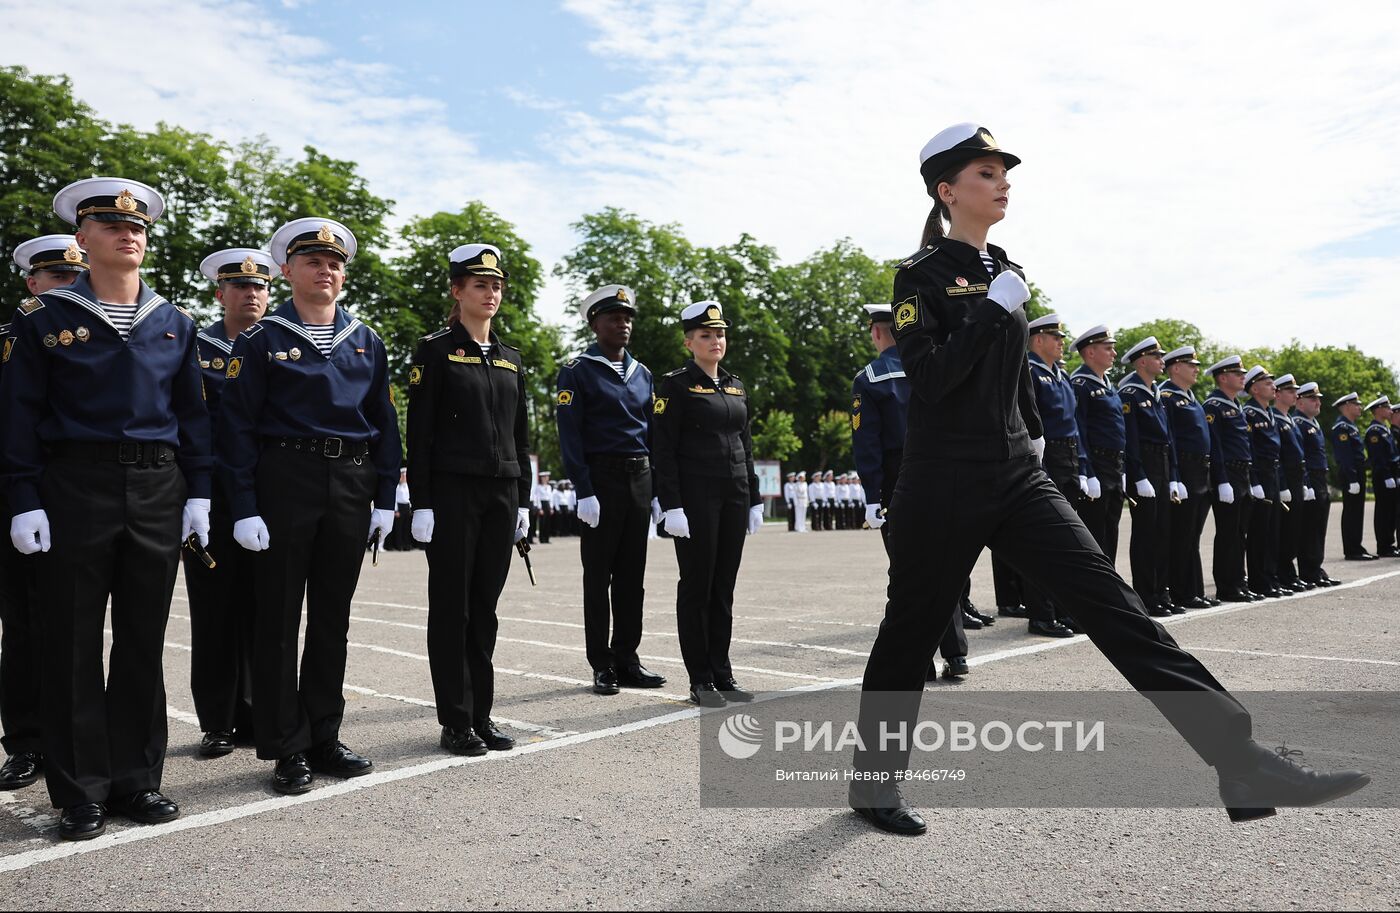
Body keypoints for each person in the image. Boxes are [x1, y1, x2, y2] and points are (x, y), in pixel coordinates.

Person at [848, 124, 1367, 836]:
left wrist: (1033, 436)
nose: (1003, 182)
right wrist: (996, 309)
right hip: (942, 482)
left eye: (1005, 172)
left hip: (1015, 475)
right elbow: (932, 382)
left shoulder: (1006, 264)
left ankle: (1240, 759)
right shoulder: (921, 276)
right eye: (986, 172)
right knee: (908, 634)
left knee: (1118, 609)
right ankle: (872, 785)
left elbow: (1012, 377)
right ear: (947, 190)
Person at [2, 178, 211, 839]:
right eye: (112, 225)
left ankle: (135, 779)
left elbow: (192, 417)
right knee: (70, 643)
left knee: (143, 642)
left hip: (156, 488)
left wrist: (199, 492)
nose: (129, 234)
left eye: (139, 228)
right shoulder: (43, 320)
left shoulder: (174, 323)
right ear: (82, 239)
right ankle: (80, 788)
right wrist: (23, 497)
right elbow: (19, 418)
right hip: (74, 487)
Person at [218, 217, 400, 794]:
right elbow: (237, 428)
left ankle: (324, 733)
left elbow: (386, 424)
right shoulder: (260, 340)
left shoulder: (366, 341)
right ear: (287, 271)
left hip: (350, 477)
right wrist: (243, 505)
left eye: (335, 263)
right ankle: (285, 745)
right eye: (314, 262)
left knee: (332, 618)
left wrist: (385, 498)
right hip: (285, 478)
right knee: (276, 618)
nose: (327, 270)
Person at [405, 243, 529, 756]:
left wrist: (522, 501)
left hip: (501, 493)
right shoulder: (434, 351)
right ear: (457, 291)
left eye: (497, 285)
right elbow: (421, 432)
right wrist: (423, 502)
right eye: (480, 284)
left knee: (485, 608)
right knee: (451, 607)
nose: (491, 293)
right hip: (454, 494)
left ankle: (482, 712)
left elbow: (520, 433)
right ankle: (455, 719)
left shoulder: (511, 358)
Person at [0, 233, 88, 791]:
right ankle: (27, 742)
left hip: (77, 492)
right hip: (19, 494)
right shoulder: (13, 337)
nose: (70, 288)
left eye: (77, 278)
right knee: (27, 625)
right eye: (58, 278)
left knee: (76, 627)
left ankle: (76, 741)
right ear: (32, 283)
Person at [555, 283, 667, 696]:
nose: (622, 324)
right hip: (600, 480)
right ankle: (601, 663)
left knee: (632, 577)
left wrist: (658, 492)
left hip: (638, 478)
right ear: (594, 323)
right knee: (598, 576)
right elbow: (570, 434)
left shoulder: (644, 374)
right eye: (613, 318)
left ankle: (627, 657)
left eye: (627, 318)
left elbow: (653, 434)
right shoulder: (577, 369)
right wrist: (584, 489)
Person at [185, 246, 275, 758]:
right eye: (239, 287)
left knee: (268, 612)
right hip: (214, 497)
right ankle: (218, 720)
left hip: (273, 495)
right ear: (220, 294)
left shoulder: (281, 345)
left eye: (259, 287)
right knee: (216, 612)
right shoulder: (195, 349)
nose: (251, 294)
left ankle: (263, 713)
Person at [652, 301, 764, 707]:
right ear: (688, 342)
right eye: (705, 335)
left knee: (723, 588)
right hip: (696, 498)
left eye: (719, 334)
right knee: (697, 586)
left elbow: (745, 444)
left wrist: (753, 497)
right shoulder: (676, 386)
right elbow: (662, 449)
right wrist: (671, 504)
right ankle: (700, 679)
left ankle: (723, 673)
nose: (715, 341)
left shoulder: (736, 385)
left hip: (733, 495)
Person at [852, 303, 970, 678]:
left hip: (898, 480)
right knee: (945, 564)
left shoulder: (869, 378)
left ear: (875, 332)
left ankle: (920, 660)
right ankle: (956, 654)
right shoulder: (934, 365)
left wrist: (872, 497)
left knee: (909, 573)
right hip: (945, 473)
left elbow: (867, 444)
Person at [991, 313, 1079, 636]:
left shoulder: (1061, 376)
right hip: (1044, 457)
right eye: (1055, 337)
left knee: (1066, 543)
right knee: (1044, 542)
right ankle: (1041, 614)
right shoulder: (1027, 371)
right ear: (1038, 339)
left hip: (1068, 460)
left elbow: (1074, 423)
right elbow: (1025, 418)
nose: (1061, 342)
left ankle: (1062, 609)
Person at [1119, 336, 1183, 615]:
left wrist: (1174, 476)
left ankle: (1161, 591)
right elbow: (1130, 439)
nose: (1162, 362)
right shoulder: (1130, 393)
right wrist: (1138, 474)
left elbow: (1169, 439)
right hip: (1144, 466)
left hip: (1163, 464)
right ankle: (1146, 595)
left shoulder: (1154, 392)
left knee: (1163, 534)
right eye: (1157, 358)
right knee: (1146, 535)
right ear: (1142, 361)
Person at [1159, 345, 1219, 609]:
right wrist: (1175, 476)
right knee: (1181, 536)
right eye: (1190, 365)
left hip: (1201, 472)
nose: (1196, 369)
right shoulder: (1168, 397)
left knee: (1192, 536)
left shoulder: (1192, 397)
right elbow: (1168, 437)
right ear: (1175, 368)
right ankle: (1181, 591)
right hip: (1184, 470)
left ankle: (1193, 589)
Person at [1203, 357, 1259, 602]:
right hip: (1228, 475)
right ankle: (1227, 585)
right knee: (1228, 533)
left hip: (1242, 474)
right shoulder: (1213, 405)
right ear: (1223, 377)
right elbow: (1214, 446)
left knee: (1240, 533)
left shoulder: (1236, 405)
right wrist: (1222, 479)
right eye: (1237, 373)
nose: (1242, 377)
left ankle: (1239, 581)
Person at [1070, 325, 1125, 560]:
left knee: (1111, 532)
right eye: (1108, 348)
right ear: (1090, 352)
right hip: (1097, 464)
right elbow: (1078, 430)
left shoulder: (1109, 385)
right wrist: (1087, 471)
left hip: (1114, 466)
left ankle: (1109, 590)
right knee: (1094, 535)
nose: (1114, 353)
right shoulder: (1081, 385)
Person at [1293, 384, 1340, 586]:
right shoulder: (1298, 423)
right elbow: (1299, 456)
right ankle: (1308, 570)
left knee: (1319, 526)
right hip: (1310, 479)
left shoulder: (1312, 423)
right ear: (1300, 401)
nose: (1318, 402)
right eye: (1313, 399)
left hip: (1320, 479)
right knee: (1309, 528)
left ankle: (1315, 567)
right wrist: (1306, 483)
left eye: (1318, 398)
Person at [1271, 376, 1312, 591]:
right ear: (1277, 394)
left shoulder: (1291, 421)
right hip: (1285, 479)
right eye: (1289, 390)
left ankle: (1289, 573)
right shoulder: (1276, 419)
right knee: (1285, 531)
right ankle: (1283, 573)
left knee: (1294, 529)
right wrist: (1284, 484)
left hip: (1296, 478)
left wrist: (1304, 482)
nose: (1295, 394)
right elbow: (1279, 456)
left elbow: (1300, 456)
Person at [1330, 393, 1374, 560]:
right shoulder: (1341, 427)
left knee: (1357, 512)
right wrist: (1352, 478)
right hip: (1351, 473)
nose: (1360, 408)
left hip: (1358, 471)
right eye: (1356, 404)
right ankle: (1351, 549)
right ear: (1347, 406)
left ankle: (1357, 545)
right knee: (1351, 512)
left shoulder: (1351, 426)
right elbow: (1345, 456)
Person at [1362, 397, 1399, 557]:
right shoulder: (1374, 431)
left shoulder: (1385, 429)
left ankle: (1389, 544)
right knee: (1384, 512)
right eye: (1386, 407)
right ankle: (1383, 545)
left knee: (1391, 511)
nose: (1390, 411)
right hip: (1383, 476)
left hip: (1391, 475)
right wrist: (1386, 475)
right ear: (1377, 410)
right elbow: (1378, 457)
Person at [532, 471, 554, 544]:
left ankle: (547, 538)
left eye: (547, 477)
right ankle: (542, 539)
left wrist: (551, 507)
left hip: (547, 504)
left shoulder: (549, 487)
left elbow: (551, 497)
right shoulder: (538, 487)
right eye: (544, 477)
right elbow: (537, 498)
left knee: (548, 522)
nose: (546, 478)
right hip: (542, 504)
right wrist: (540, 508)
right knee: (542, 523)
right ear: (541, 478)